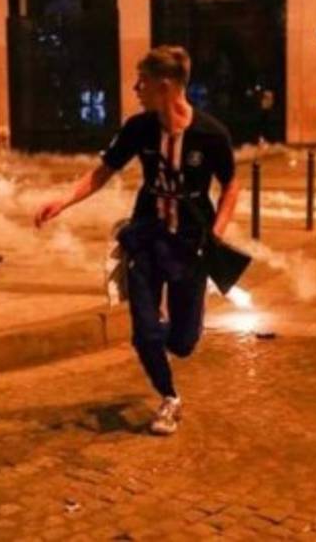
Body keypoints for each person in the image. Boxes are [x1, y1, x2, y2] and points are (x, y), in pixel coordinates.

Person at [35, 46, 240, 436]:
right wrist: (61, 202)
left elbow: (232, 183)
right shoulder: (138, 128)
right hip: (146, 238)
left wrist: (217, 233)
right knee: (144, 330)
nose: (134, 88)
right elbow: (101, 173)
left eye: (141, 81)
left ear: (164, 87)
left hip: (191, 244)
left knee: (182, 342)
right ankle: (169, 398)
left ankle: (166, 335)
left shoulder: (211, 134)